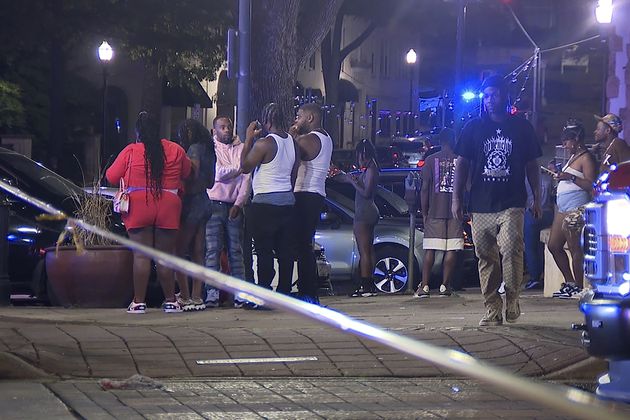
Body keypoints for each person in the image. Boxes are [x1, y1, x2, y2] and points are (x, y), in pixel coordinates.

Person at [452, 74, 542, 326]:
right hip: (481, 203)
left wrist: (536, 196)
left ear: (505, 95)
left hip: (512, 201)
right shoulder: (473, 127)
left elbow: (532, 164)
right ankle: (492, 308)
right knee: (485, 256)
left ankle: (512, 297)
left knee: (512, 247)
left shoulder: (521, 127)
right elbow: (462, 164)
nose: (490, 100)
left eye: (495, 94)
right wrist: (456, 198)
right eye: (487, 96)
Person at [106, 111, 191, 314]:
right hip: (169, 204)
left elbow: (111, 176)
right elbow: (187, 172)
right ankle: (170, 301)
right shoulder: (176, 149)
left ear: (138, 132)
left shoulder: (131, 151)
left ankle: (138, 302)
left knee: (142, 256)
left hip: (138, 204)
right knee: (164, 256)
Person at [240, 103, 299, 300]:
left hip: (264, 203)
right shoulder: (293, 143)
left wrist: (248, 138)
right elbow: (293, 174)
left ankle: (265, 293)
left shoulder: (264, 144)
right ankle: (284, 292)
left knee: (264, 250)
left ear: (267, 121)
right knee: (285, 251)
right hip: (287, 201)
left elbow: (245, 167)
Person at [204, 116, 251, 308]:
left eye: (229, 126)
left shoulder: (241, 148)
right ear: (214, 131)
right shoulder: (211, 149)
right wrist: (239, 168)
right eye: (222, 127)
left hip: (234, 206)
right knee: (212, 251)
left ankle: (240, 294)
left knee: (236, 251)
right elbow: (217, 174)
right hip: (213, 204)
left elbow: (246, 179)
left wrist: (239, 204)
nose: (227, 130)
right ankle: (212, 293)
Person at [289, 103, 333, 305]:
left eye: (299, 116)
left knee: (302, 244)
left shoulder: (311, 139)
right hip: (314, 194)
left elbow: (290, 155)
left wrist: (291, 136)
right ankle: (308, 289)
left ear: (310, 118)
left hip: (306, 194)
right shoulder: (325, 137)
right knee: (304, 243)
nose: (296, 120)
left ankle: (307, 291)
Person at [548, 120, 596, 299]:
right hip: (563, 207)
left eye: (567, 142)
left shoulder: (586, 157)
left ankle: (578, 285)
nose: (565, 146)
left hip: (577, 206)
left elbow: (591, 184)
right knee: (554, 245)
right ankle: (569, 282)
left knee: (575, 248)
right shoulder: (573, 157)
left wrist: (571, 178)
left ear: (576, 139)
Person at [172, 119, 215, 312]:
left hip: (191, 202)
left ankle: (185, 295)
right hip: (205, 201)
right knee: (199, 251)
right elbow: (211, 182)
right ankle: (198, 295)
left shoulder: (194, 149)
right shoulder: (210, 150)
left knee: (180, 251)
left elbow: (192, 173)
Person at [415, 128, 461, 298]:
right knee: (451, 249)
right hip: (455, 212)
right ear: (454, 139)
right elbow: (467, 187)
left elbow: (425, 188)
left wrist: (424, 210)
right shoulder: (460, 159)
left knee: (431, 250)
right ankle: (445, 285)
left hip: (435, 211)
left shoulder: (430, 160)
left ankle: (425, 286)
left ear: (440, 141)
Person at [335, 140, 380, 297]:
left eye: (359, 155)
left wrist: (352, 182)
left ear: (363, 154)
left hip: (364, 212)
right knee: (369, 249)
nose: (358, 159)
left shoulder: (371, 170)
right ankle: (370, 284)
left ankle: (366, 286)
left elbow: (366, 193)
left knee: (364, 251)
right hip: (368, 212)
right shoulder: (370, 168)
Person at [523, 161, 554, 290]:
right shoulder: (548, 179)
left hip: (532, 213)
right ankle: (544, 275)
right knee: (542, 246)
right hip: (548, 213)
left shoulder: (525, 180)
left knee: (530, 247)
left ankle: (534, 277)